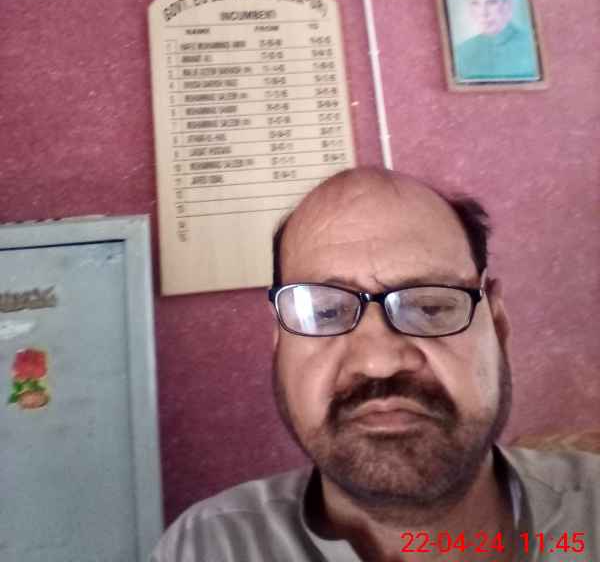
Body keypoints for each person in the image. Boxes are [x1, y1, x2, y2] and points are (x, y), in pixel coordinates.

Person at [151, 167, 599, 561]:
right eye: (325, 312)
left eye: (429, 307)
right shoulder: (205, 549)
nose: (379, 362)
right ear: (279, 342)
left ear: (497, 324)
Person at [453, 0, 540, 81]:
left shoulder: (531, 46)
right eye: (475, 4)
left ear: (507, 5)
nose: (483, 13)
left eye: (491, 3)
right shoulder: (461, 52)